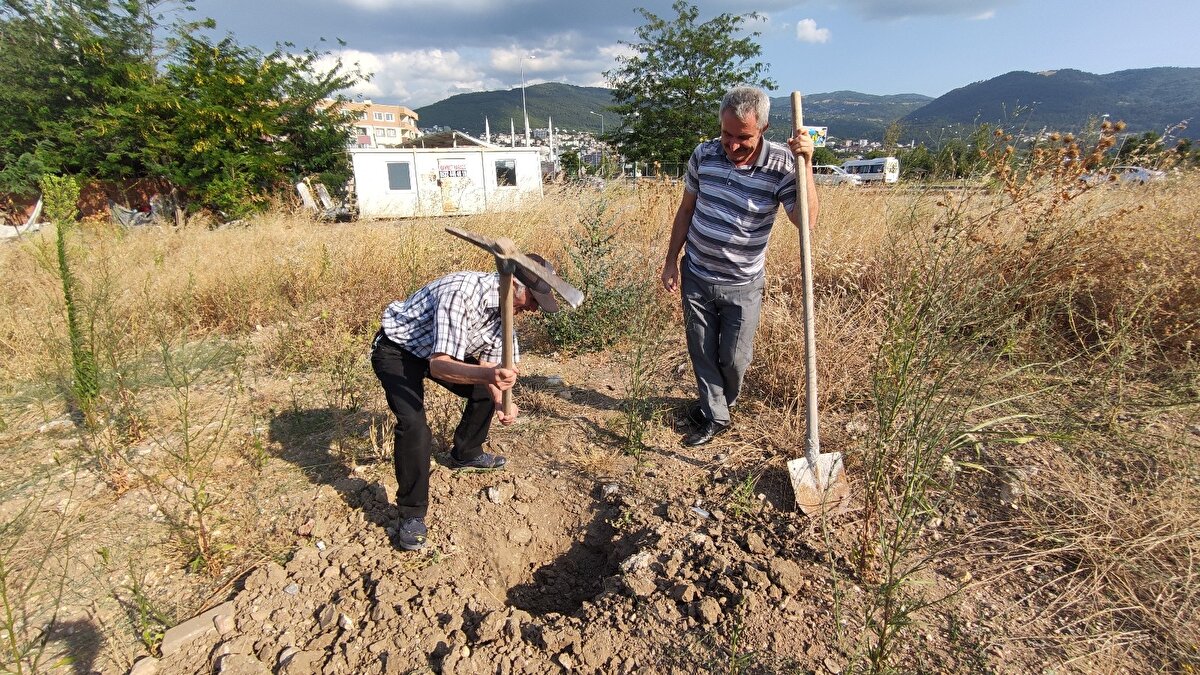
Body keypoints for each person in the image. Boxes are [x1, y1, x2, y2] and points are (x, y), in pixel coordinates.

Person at [661, 86, 819, 447]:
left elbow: (805, 221)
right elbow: (686, 210)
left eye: (743, 137)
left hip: (743, 282)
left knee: (734, 359)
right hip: (697, 274)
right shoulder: (704, 154)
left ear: (763, 128)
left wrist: (806, 165)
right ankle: (715, 415)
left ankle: (722, 402)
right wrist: (671, 261)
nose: (731, 145)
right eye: (726, 134)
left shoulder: (782, 164)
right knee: (701, 350)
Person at [371, 255, 562, 550]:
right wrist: (489, 374)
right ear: (512, 284)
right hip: (399, 350)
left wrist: (500, 401)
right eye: (533, 299)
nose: (535, 309)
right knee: (414, 426)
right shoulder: (461, 292)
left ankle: (466, 453)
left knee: (487, 387)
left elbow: (489, 365)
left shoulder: (505, 316)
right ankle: (411, 515)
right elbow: (440, 366)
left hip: (436, 352)